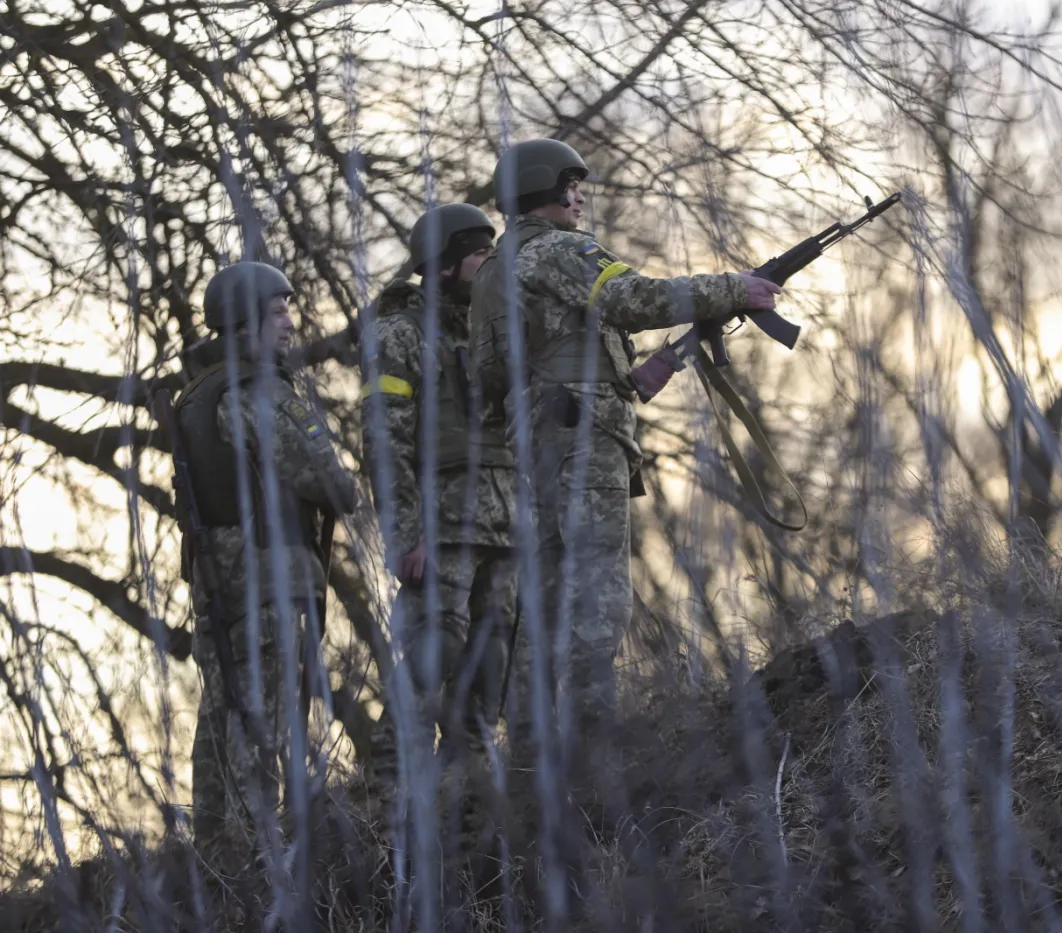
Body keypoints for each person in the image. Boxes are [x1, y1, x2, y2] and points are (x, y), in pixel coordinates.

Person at [468, 139, 782, 812]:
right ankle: (590, 762)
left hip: (539, 440)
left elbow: (503, 372)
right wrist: (737, 289)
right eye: (571, 185)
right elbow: (635, 297)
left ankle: (529, 767)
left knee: (544, 603)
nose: (580, 197)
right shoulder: (556, 248)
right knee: (596, 599)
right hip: (583, 444)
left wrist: (620, 378)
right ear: (543, 192)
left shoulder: (496, 270)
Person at [176, 260, 357, 882]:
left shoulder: (196, 394)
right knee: (263, 716)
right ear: (243, 324)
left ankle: (212, 859)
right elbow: (328, 483)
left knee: (221, 710)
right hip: (265, 577)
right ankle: (257, 860)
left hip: (214, 580)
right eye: (276, 311)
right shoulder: (256, 390)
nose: (288, 322)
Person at [358, 203, 517, 857]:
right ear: (444, 265)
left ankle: (468, 790)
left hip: (505, 526)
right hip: (441, 527)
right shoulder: (398, 337)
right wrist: (403, 535)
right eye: (479, 256)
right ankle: (389, 794)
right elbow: (385, 442)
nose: (490, 267)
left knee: (491, 665)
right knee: (431, 655)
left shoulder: (493, 333)